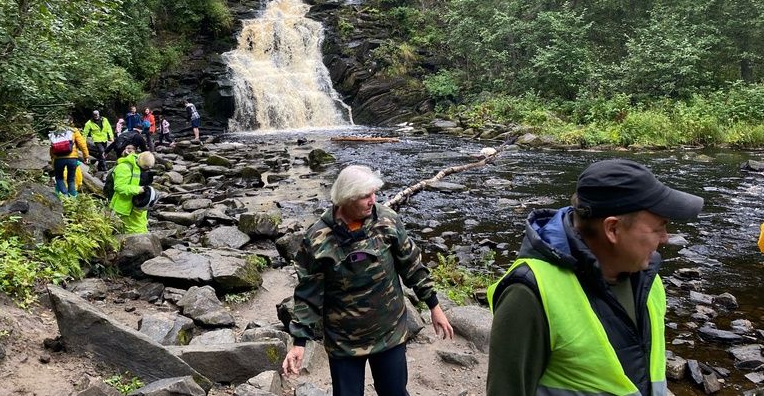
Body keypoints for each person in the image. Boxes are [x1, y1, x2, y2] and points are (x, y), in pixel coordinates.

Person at [485, 158, 704, 396]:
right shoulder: (529, 292)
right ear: (612, 229)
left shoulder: (648, 279)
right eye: (659, 228)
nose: (665, 238)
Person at [282, 165, 454, 396]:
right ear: (346, 198)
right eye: (365, 196)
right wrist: (299, 343)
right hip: (343, 341)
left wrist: (434, 306)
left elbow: (411, 265)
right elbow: (308, 293)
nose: (372, 200)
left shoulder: (387, 221)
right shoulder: (318, 239)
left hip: (389, 333)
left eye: (373, 193)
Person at [109, 150, 155, 234]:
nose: (147, 170)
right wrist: (138, 189)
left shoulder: (140, 167)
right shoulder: (124, 167)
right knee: (134, 232)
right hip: (125, 208)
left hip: (137, 207)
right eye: (146, 167)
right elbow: (119, 187)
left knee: (141, 229)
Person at [49, 118, 90, 197]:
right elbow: (82, 144)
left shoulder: (56, 132)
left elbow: (52, 146)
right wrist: (86, 156)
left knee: (59, 178)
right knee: (71, 179)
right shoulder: (74, 131)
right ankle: (73, 197)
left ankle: (65, 195)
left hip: (58, 158)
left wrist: (52, 158)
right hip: (72, 158)